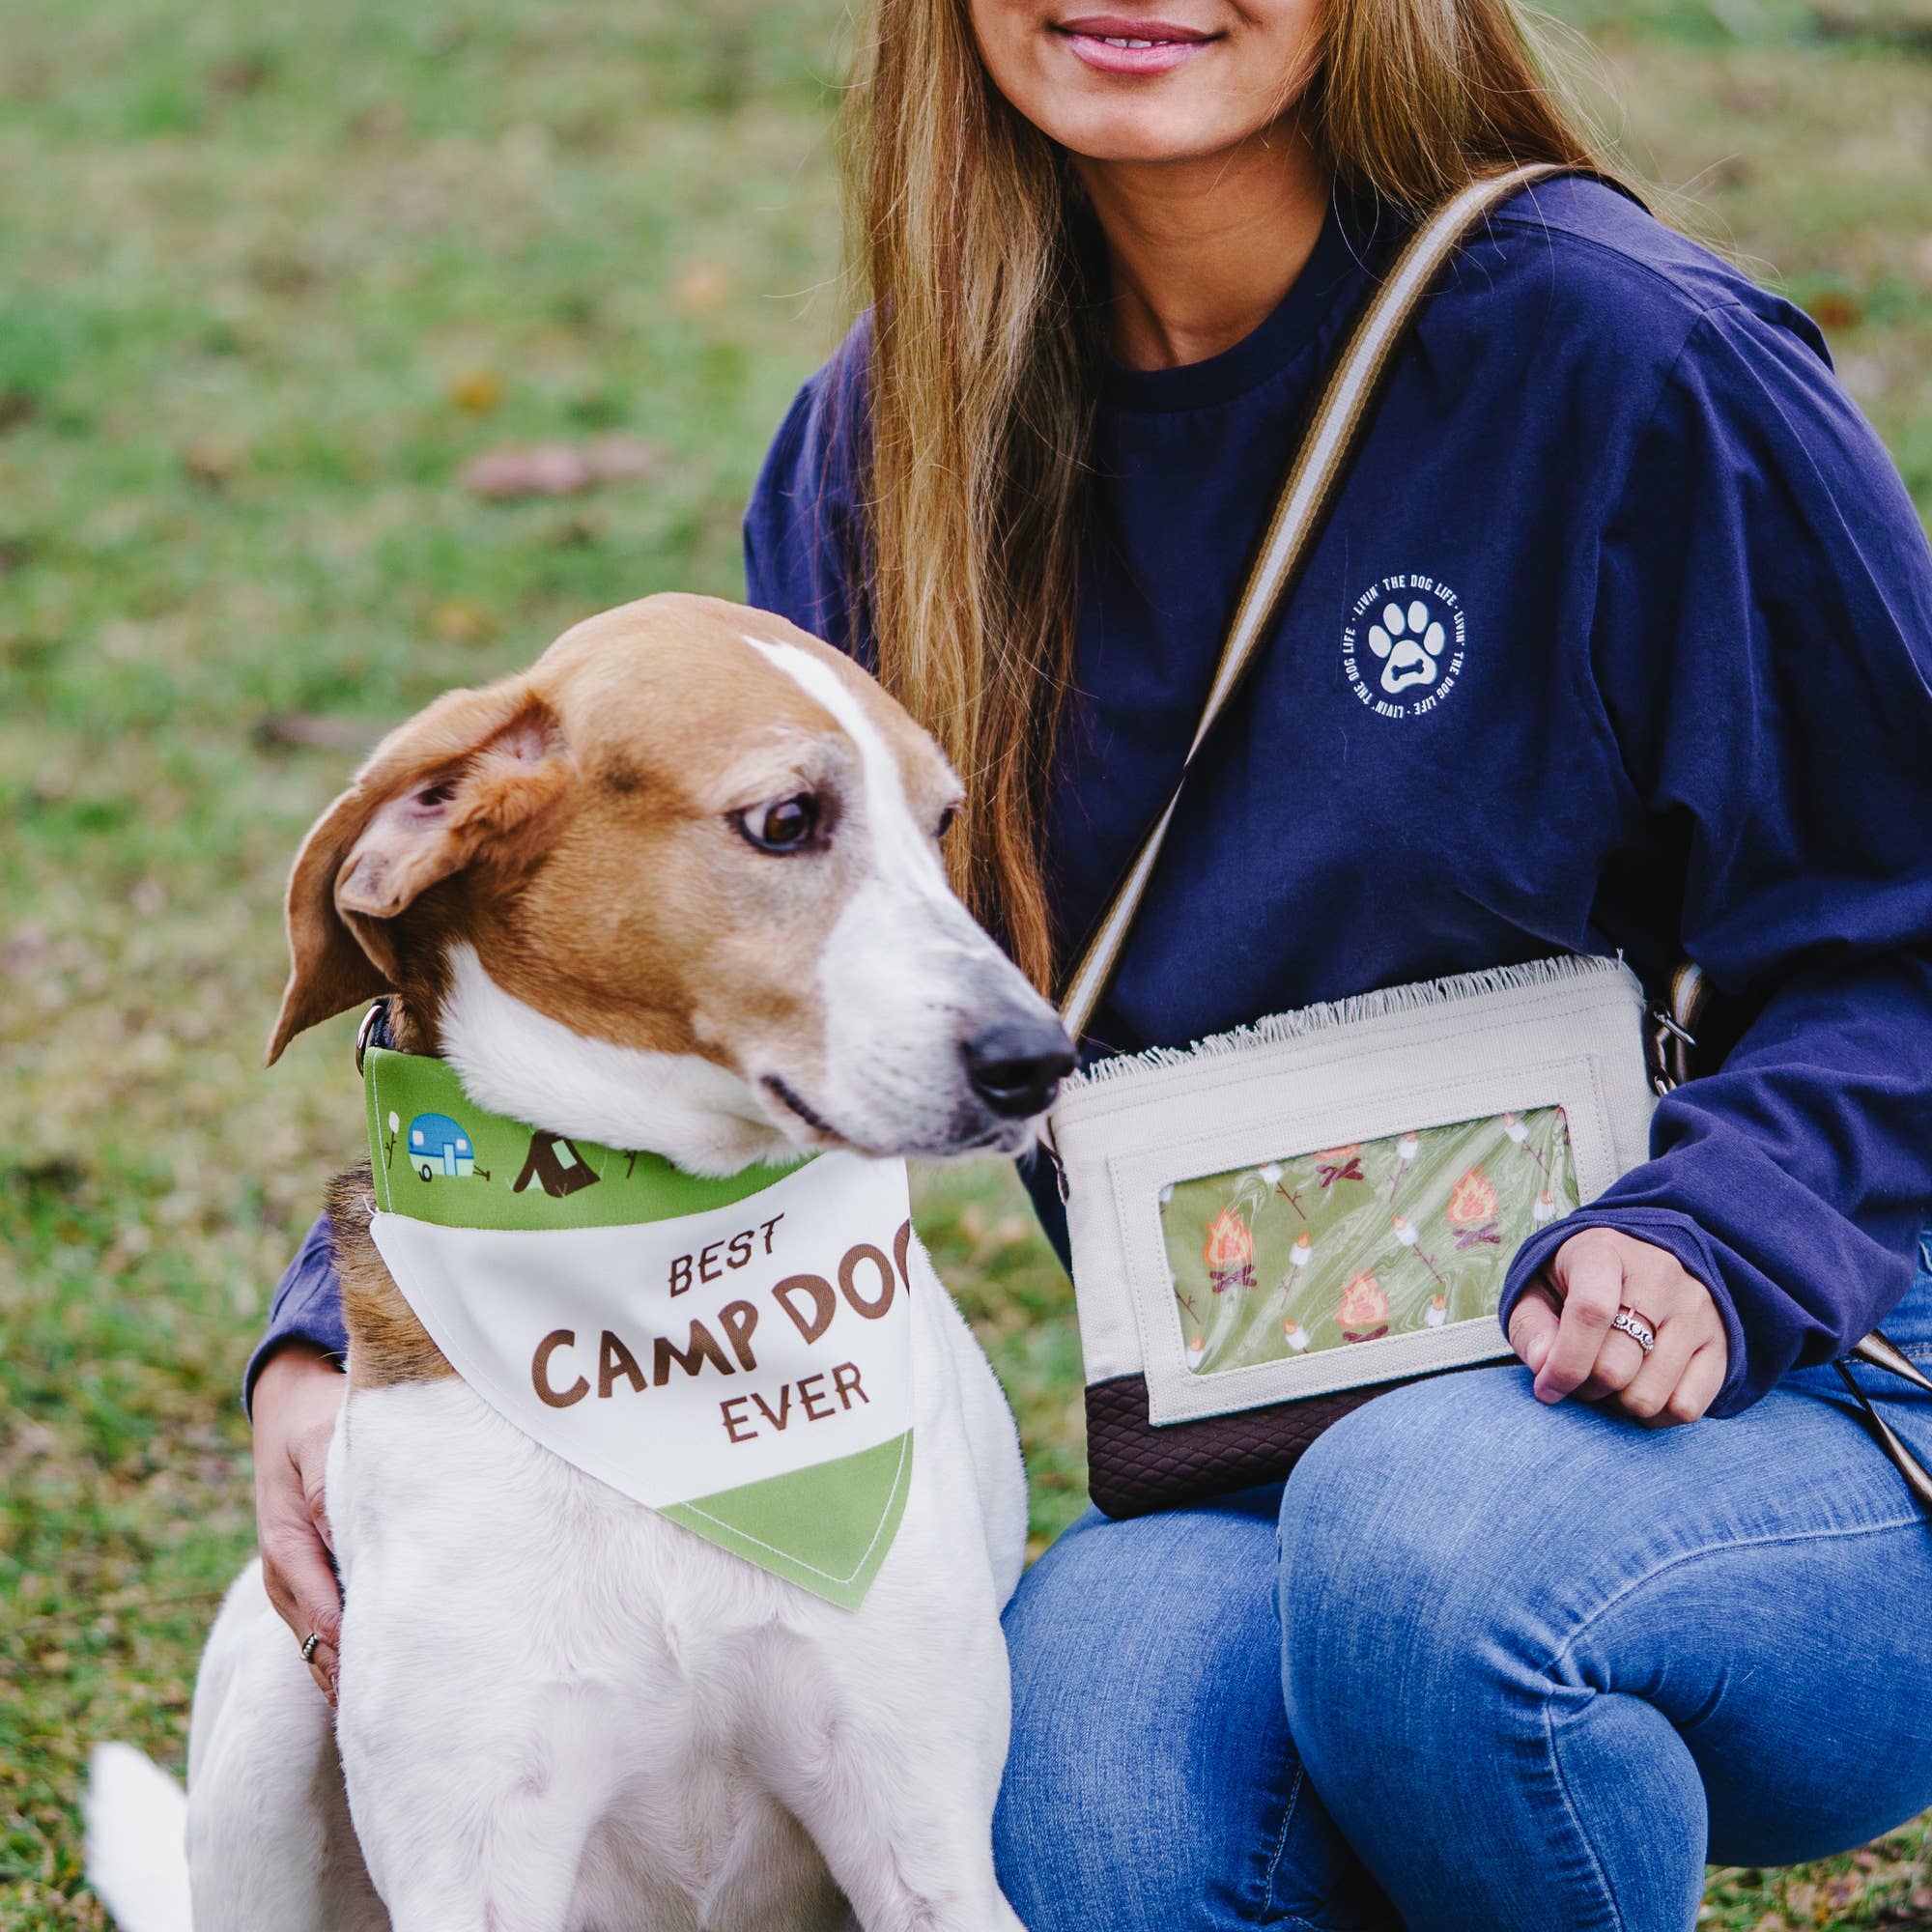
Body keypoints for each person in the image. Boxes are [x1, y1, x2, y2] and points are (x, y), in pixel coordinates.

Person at [248, 1, 1932, 1925]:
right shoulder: (888, 445)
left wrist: (1721, 1228)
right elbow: (663, 949)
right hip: (1253, 1441)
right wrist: (348, 1323)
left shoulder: (1633, 361)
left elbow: (1902, 927)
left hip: (1805, 1380)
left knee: (1429, 1552)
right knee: (1080, 1799)